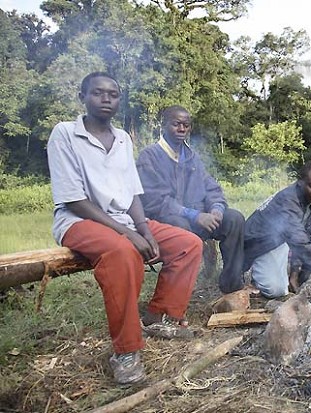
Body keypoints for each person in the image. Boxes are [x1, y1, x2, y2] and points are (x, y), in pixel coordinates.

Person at [47, 73, 203, 385]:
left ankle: (159, 316)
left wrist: (143, 229)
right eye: (97, 93)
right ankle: (126, 351)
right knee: (123, 252)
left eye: (113, 94)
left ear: (119, 101)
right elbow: (75, 199)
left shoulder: (122, 139)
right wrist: (127, 233)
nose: (106, 99)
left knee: (189, 243)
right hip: (79, 221)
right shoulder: (64, 134)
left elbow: (133, 192)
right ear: (83, 97)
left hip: (125, 220)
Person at [136, 105, 245, 294]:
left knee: (234, 219)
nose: (182, 129)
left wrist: (216, 209)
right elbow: (155, 200)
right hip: (165, 220)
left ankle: (232, 287)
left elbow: (211, 188)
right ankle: (175, 294)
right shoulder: (150, 156)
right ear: (164, 125)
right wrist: (195, 215)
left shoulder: (192, 157)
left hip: (196, 218)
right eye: (176, 124)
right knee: (180, 226)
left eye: (186, 125)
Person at [243, 160, 311, 297]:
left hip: (288, 236)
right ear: (300, 182)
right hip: (264, 243)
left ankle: (305, 276)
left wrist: (296, 275)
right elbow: (301, 245)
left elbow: (308, 234)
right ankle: (254, 271)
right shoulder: (288, 202)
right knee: (277, 290)